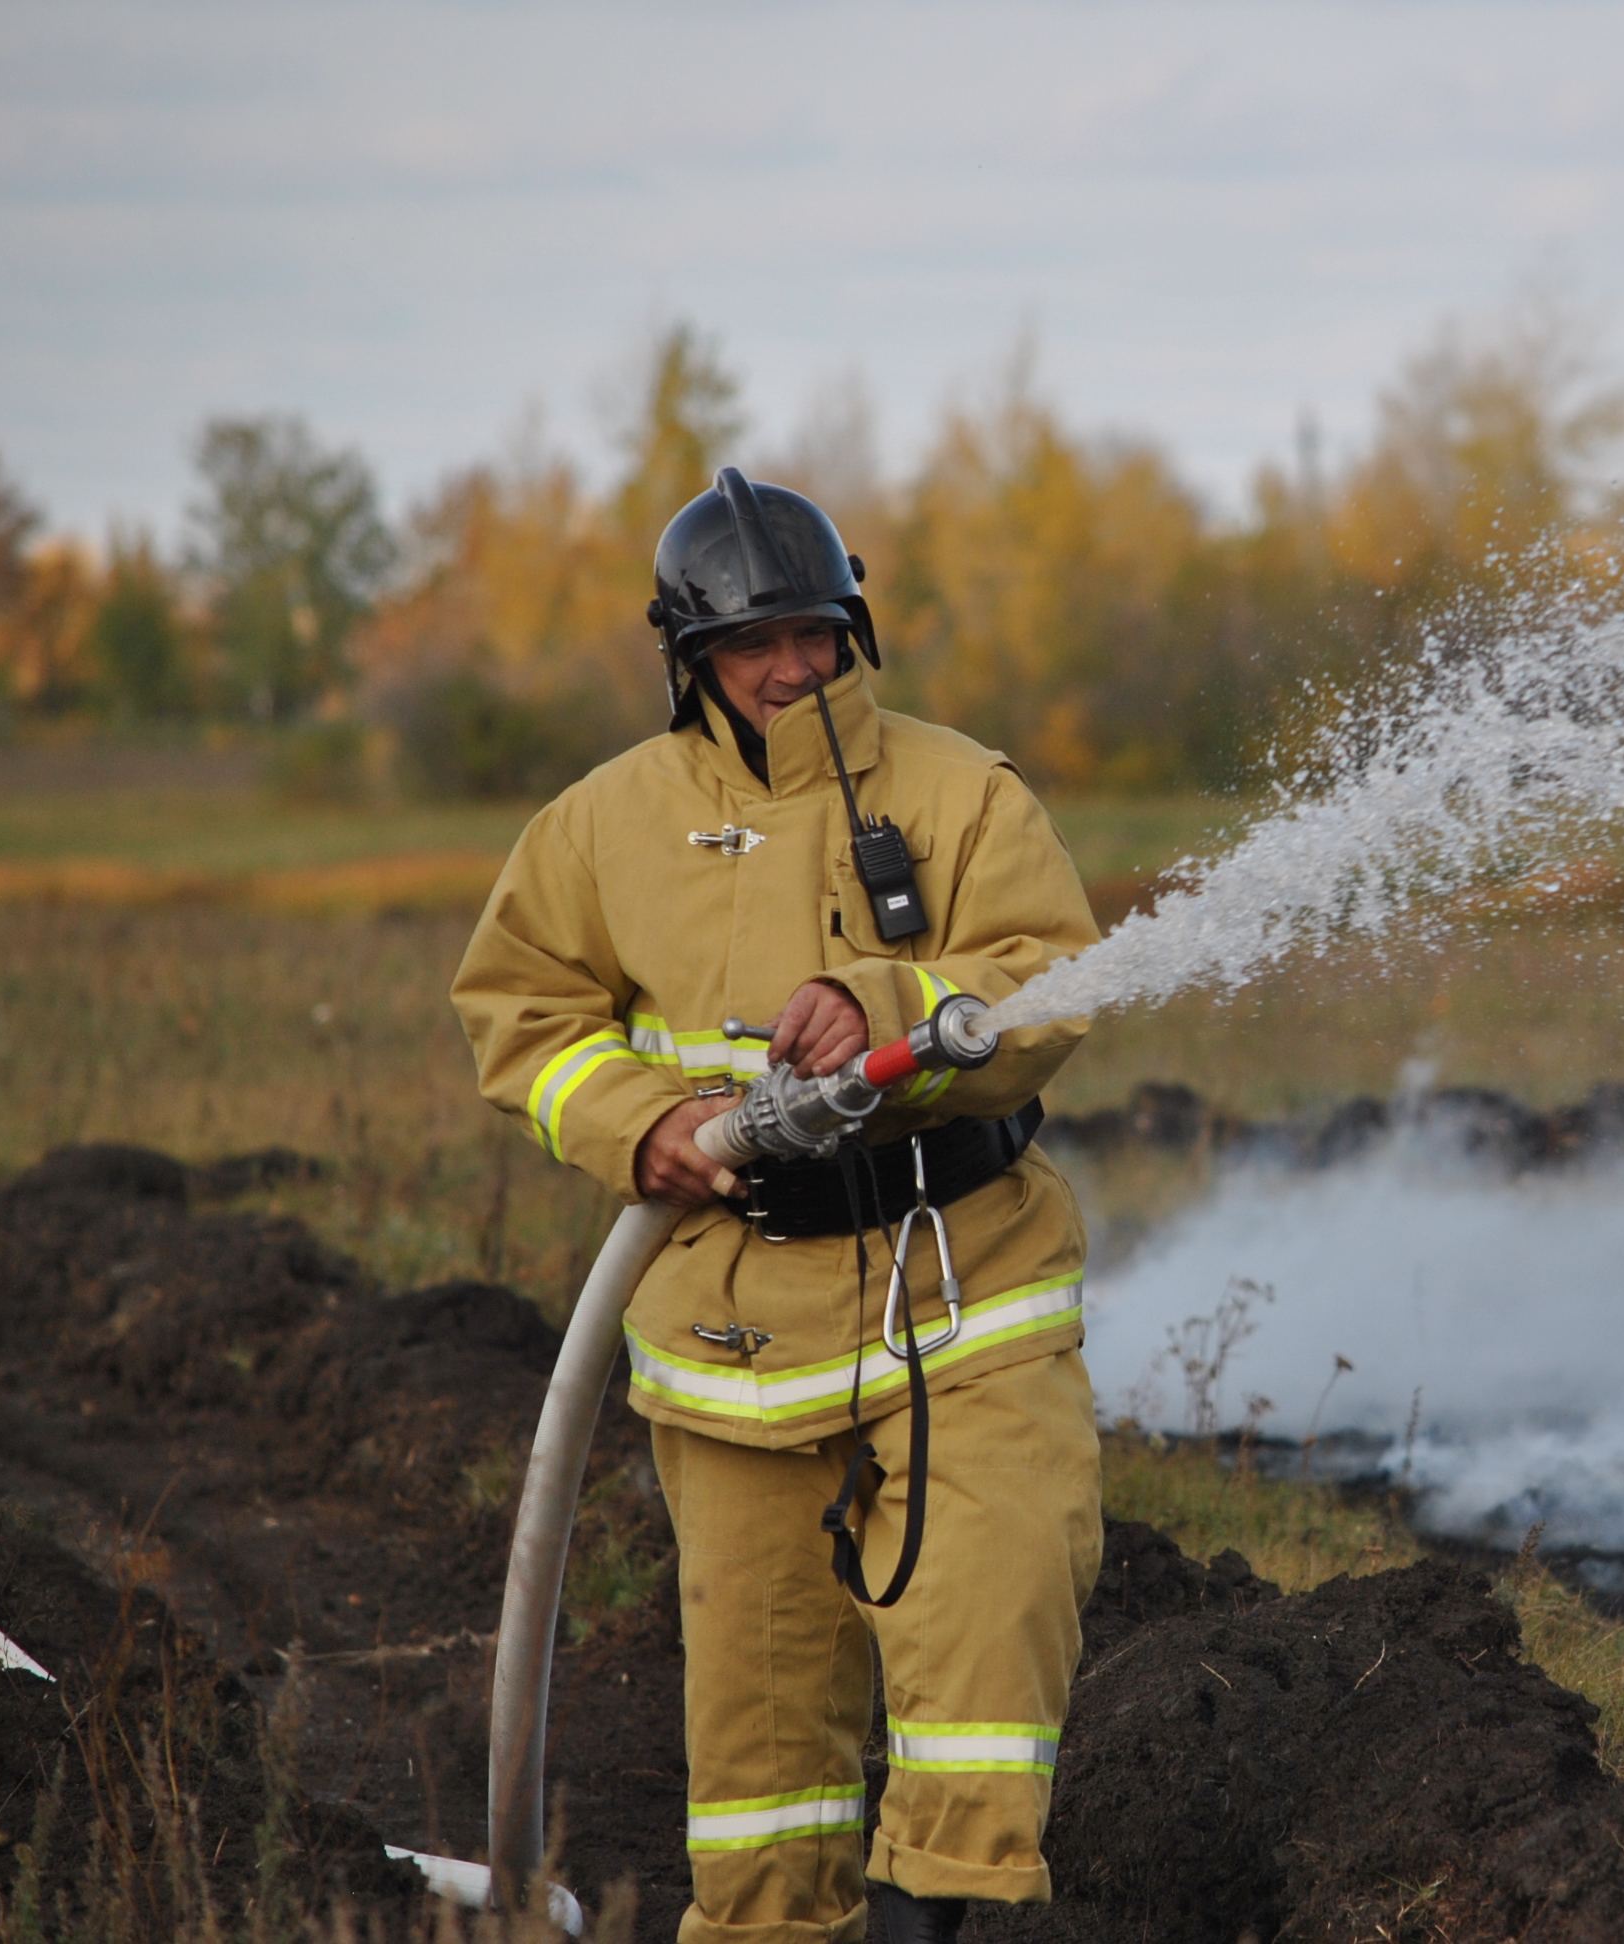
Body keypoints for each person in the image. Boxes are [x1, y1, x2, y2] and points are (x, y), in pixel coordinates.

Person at [451, 468, 1103, 1944]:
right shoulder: (602, 825)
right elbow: (523, 1011)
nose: (790, 667)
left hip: (963, 1297)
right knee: (759, 1777)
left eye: (812, 632)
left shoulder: (962, 793)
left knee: (986, 1674)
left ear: (851, 627)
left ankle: (945, 1921)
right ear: (692, 661)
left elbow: (1047, 986)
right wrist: (648, 1127)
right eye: (752, 646)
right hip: (730, 1340)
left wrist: (886, 999)